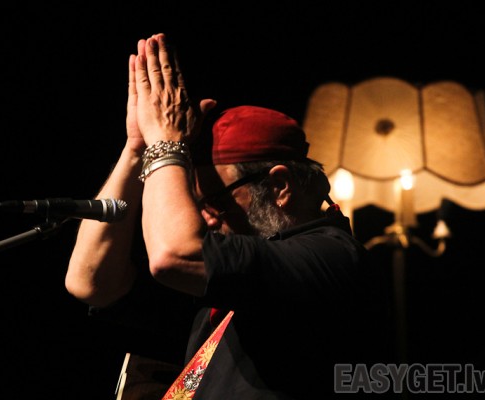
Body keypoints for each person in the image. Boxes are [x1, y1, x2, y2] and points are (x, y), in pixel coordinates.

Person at [65, 33, 391, 399]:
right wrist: (137, 148)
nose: (201, 219)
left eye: (211, 201)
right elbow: (90, 281)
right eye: (193, 202)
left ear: (280, 187)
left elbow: (172, 255)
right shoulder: (227, 274)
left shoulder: (332, 257)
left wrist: (165, 144)